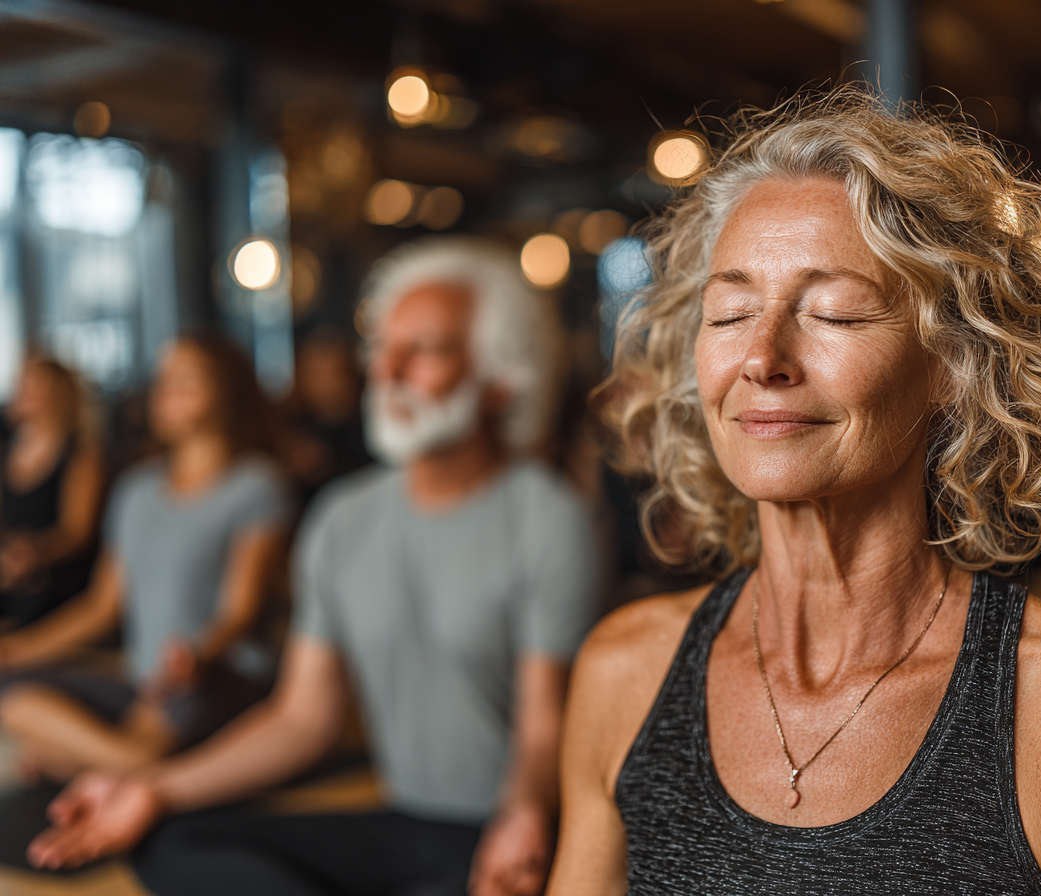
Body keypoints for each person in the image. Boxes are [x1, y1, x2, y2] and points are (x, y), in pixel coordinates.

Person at [547, 90, 1041, 895]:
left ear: (957, 367)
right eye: (730, 314)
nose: (763, 357)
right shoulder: (626, 671)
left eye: (834, 313)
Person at [26, 237, 599, 896]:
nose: (389, 371)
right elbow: (303, 719)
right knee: (172, 841)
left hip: (516, 830)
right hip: (404, 821)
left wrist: (523, 812)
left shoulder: (549, 518)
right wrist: (151, 788)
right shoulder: (343, 517)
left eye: (426, 351)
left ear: (501, 380)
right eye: (383, 349)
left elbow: (546, 724)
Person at [0, 335, 289, 777]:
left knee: (152, 731)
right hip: (141, 680)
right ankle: (114, 761)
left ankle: (94, 760)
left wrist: (197, 658)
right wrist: (18, 649)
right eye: (161, 380)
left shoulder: (256, 485)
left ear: (227, 390)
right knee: (11, 693)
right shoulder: (136, 490)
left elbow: (242, 612)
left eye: (184, 379)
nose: (165, 391)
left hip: (218, 674)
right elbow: (102, 606)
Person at [0, 356, 105, 630]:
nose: (21, 391)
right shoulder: (10, 447)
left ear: (56, 394)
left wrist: (34, 552)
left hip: (57, 578)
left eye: (31, 385)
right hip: (14, 568)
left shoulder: (81, 454)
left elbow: (77, 533)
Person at [280, 328, 370, 508]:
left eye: (333, 372)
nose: (326, 382)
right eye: (317, 373)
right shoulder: (289, 430)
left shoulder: (372, 425)